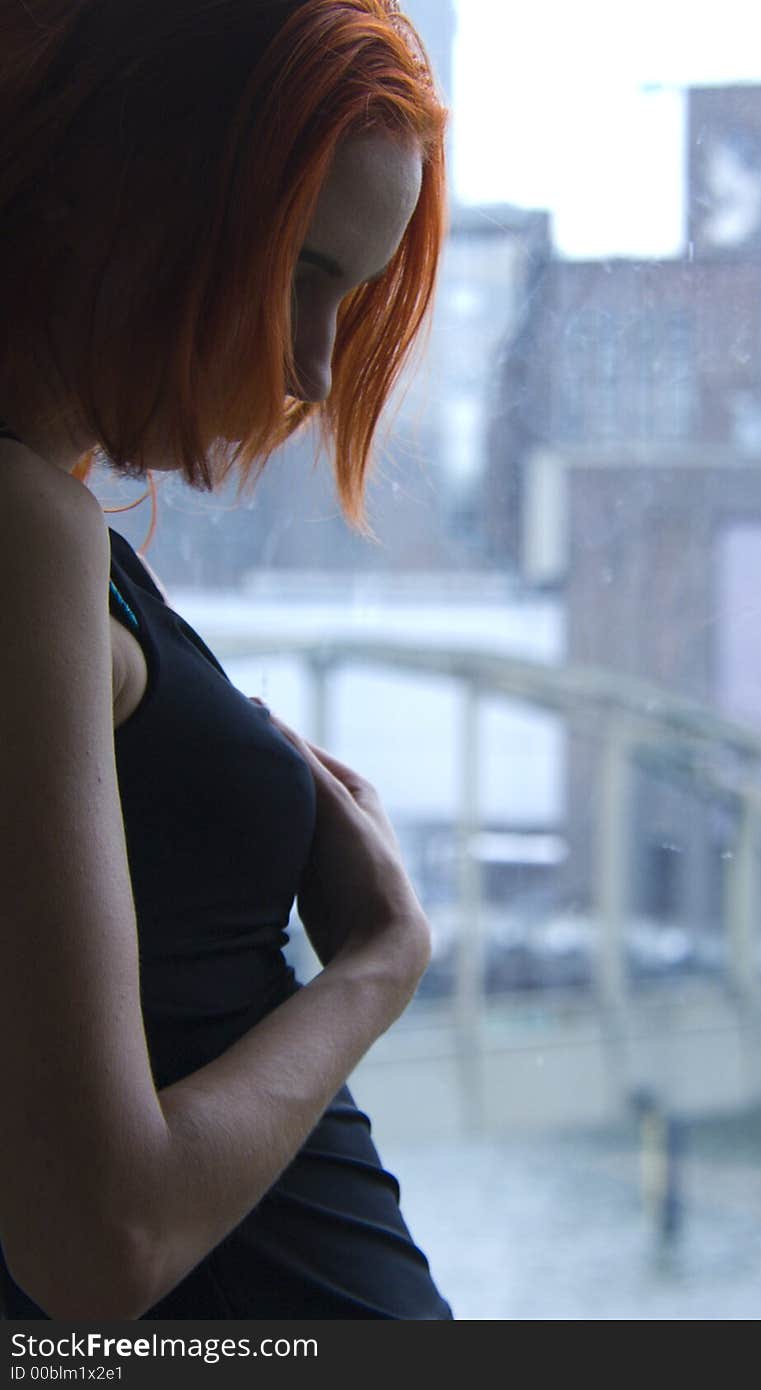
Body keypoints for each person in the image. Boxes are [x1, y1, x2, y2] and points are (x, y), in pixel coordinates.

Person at [0, 0, 453, 1319]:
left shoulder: (51, 517)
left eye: (352, 296)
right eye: (301, 268)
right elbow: (102, 1236)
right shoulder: (22, 528)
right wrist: (380, 958)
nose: (317, 364)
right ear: (130, 186)